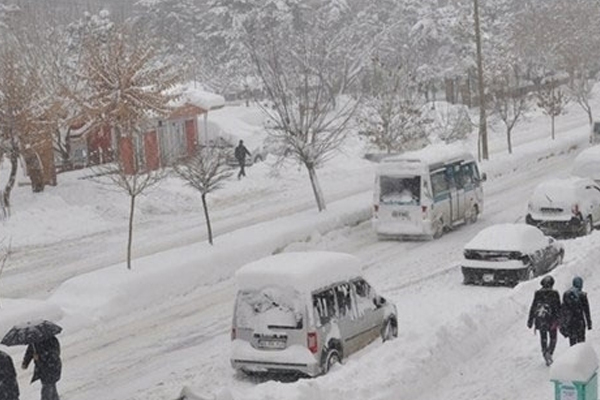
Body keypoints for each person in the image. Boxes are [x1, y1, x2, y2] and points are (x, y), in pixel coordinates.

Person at [527, 275, 561, 366]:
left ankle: (545, 353)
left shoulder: (538, 293)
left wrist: (530, 320)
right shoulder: (555, 293)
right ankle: (550, 352)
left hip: (541, 319)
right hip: (552, 320)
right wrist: (559, 319)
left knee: (543, 338)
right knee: (553, 338)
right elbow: (558, 308)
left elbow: (533, 306)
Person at [560, 276, 592, 346]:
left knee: (573, 343)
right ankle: (581, 356)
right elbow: (586, 311)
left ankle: (573, 356)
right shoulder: (582, 295)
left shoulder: (566, 294)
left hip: (570, 323)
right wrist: (589, 323)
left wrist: (563, 324)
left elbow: (562, 309)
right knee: (581, 343)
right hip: (580, 322)